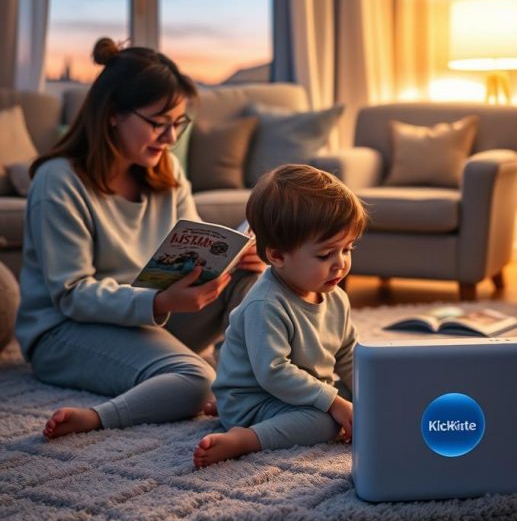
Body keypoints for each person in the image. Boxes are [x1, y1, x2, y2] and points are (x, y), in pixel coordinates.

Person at [15, 38, 264, 439]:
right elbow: (71, 294)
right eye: (157, 122)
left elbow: (195, 245)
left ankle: (245, 382)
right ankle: (96, 417)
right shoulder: (58, 181)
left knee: (253, 280)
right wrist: (160, 301)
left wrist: (234, 262)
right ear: (113, 113)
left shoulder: (166, 172)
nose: (169, 138)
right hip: (66, 331)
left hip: (150, 314)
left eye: (178, 124)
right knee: (194, 379)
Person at [194, 163, 367, 469]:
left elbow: (347, 357)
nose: (340, 264)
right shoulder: (265, 303)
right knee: (326, 422)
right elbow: (273, 372)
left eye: (347, 249)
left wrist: (368, 395)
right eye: (325, 254)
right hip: (253, 400)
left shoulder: (336, 296)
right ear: (276, 256)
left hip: (295, 391)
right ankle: (244, 438)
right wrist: (335, 404)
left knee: (351, 400)